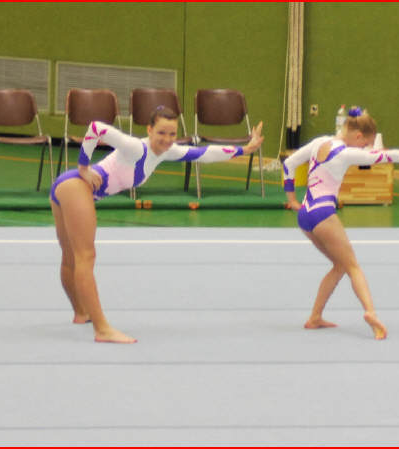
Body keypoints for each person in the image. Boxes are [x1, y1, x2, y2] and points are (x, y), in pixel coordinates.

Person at [50, 106, 264, 343]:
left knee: (71, 256)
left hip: (65, 188)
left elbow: (205, 153)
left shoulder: (167, 152)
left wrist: (246, 149)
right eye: (161, 132)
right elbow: (95, 128)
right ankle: (102, 329)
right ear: (149, 130)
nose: (167, 139)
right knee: (85, 256)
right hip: (77, 186)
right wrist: (83, 167)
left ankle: (81, 313)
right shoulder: (134, 147)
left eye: (172, 134)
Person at [283, 107, 399, 340]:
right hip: (323, 214)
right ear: (358, 136)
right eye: (365, 144)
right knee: (353, 267)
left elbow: (289, 163)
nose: (364, 149)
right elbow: (390, 156)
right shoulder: (346, 153)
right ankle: (370, 312)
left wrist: (291, 199)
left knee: (339, 266)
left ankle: (315, 317)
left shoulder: (319, 142)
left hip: (305, 216)